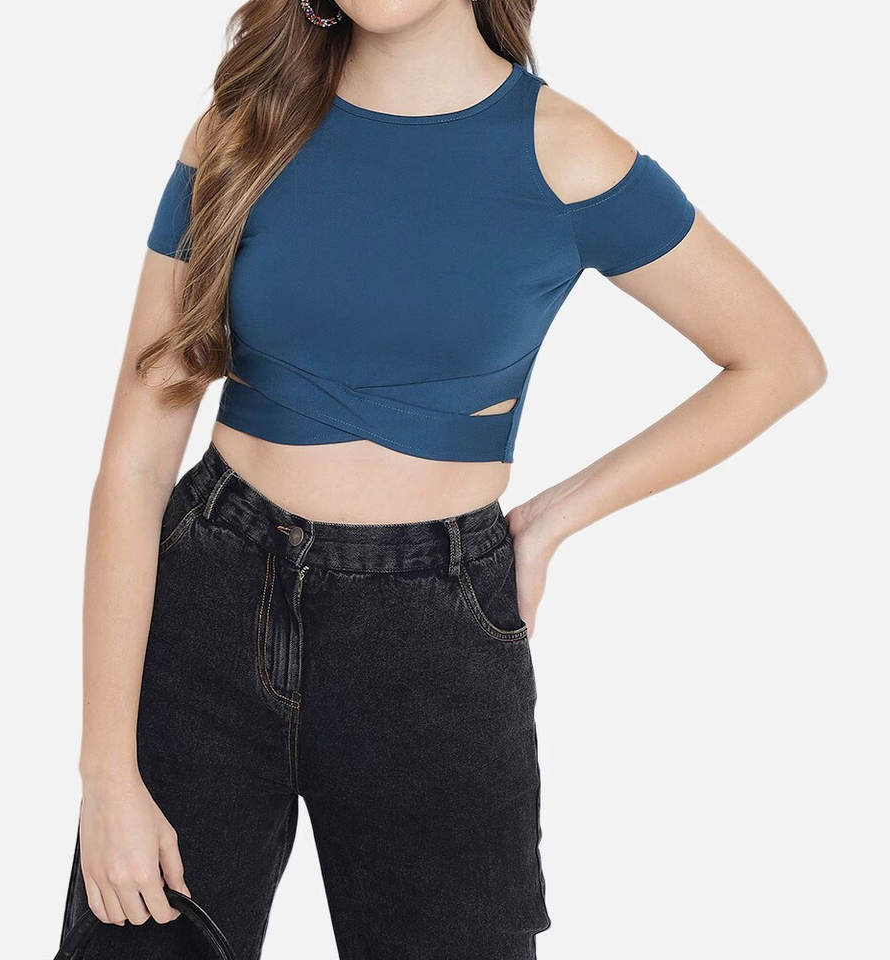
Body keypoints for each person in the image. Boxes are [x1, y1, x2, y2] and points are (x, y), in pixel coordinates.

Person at [61, 1, 826, 957]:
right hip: (209, 597)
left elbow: (778, 361)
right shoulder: (244, 126)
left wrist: (552, 520)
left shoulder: (569, 154)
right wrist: (105, 772)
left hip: (432, 636)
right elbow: (135, 465)